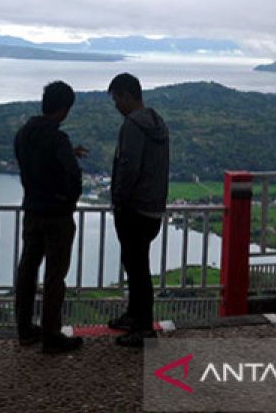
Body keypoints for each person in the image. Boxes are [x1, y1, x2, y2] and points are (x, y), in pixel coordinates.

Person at [13, 81, 85, 354]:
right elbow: (72, 176)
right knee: (55, 274)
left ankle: (24, 329)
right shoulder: (57, 139)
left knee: (27, 269)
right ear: (64, 109)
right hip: (57, 216)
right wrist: (69, 202)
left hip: (32, 211)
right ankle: (52, 334)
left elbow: (31, 165)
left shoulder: (23, 134)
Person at [106, 72, 170, 348]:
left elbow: (129, 167)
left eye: (117, 99)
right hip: (153, 207)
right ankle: (134, 316)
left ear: (127, 95)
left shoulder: (132, 125)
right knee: (137, 264)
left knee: (137, 268)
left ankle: (143, 327)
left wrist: (119, 200)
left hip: (133, 208)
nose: (116, 106)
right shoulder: (158, 123)